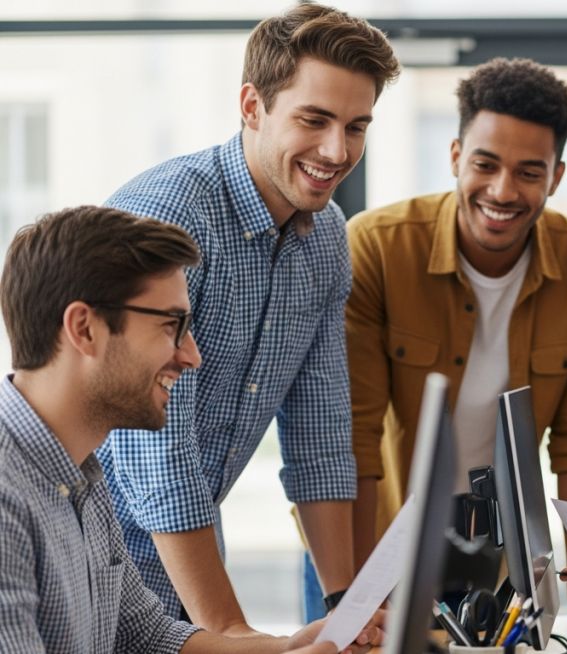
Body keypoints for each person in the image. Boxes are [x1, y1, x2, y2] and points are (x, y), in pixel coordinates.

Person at [98, 4, 401, 630]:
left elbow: (319, 431)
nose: (336, 150)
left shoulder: (325, 242)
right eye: (313, 120)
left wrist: (346, 608)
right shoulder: (169, 217)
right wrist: (233, 635)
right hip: (93, 568)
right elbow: (156, 451)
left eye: (356, 126)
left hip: (192, 567)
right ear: (252, 106)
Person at [0, 206, 384, 653]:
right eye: (172, 326)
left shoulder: (81, 475)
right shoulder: (9, 496)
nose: (191, 356)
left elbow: (148, 636)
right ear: (84, 329)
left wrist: (288, 648)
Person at [344, 58, 567, 577]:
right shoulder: (378, 247)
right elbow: (352, 438)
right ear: (455, 157)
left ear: (556, 177)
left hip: (498, 556)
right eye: (485, 164)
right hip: (376, 542)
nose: (503, 191)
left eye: (529, 172)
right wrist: (357, 588)